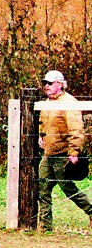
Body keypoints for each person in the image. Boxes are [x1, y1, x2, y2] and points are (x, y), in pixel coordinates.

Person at [37, 69, 89, 231]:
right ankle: (45, 226)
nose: (46, 86)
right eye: (45, 83)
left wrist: (74, 152)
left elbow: (77, 129)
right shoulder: (47, 103)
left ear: (60, 84)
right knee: (42, 188)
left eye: (50, 83)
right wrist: (41, 135)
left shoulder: (69, 102)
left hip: (62, 154)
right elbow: (43, 123)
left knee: (69, 190)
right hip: (49, 154)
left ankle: (91, 211)